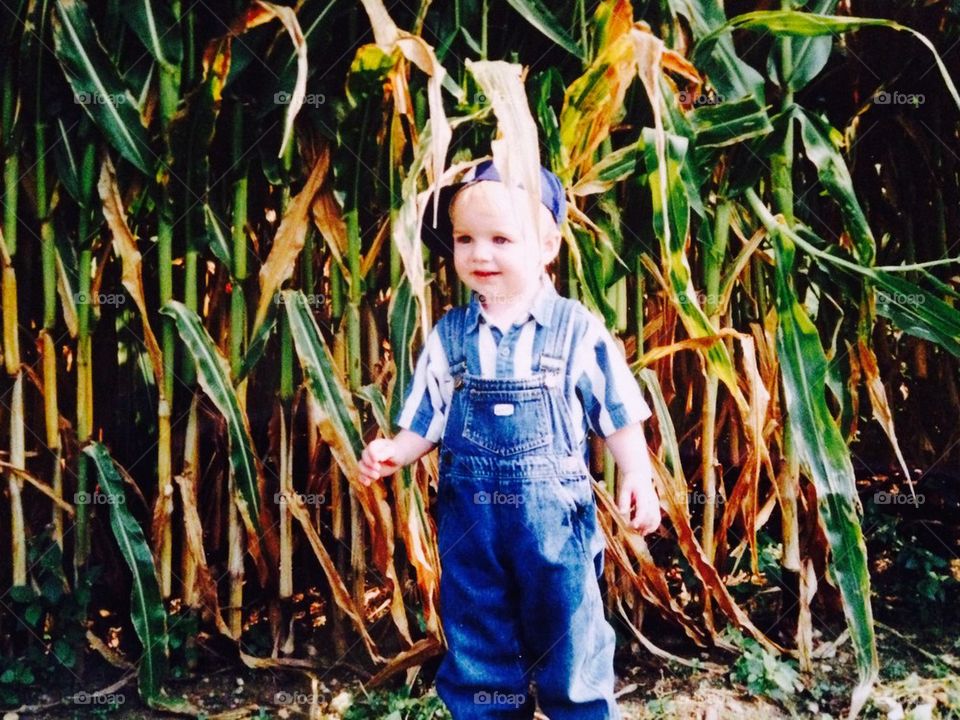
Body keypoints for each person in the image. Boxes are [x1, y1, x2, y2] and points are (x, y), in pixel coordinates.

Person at [359, 159, 660, 719]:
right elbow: (429, 415)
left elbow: (617, 411)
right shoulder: (450, 336)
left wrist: (637, 475)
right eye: (465, 239)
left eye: (501, 238)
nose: (480, 254)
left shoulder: (575, 330)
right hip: (472, 531)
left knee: (572, 637)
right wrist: (394, 451)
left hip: (556, 534)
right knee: (478, 644)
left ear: (548, 245)